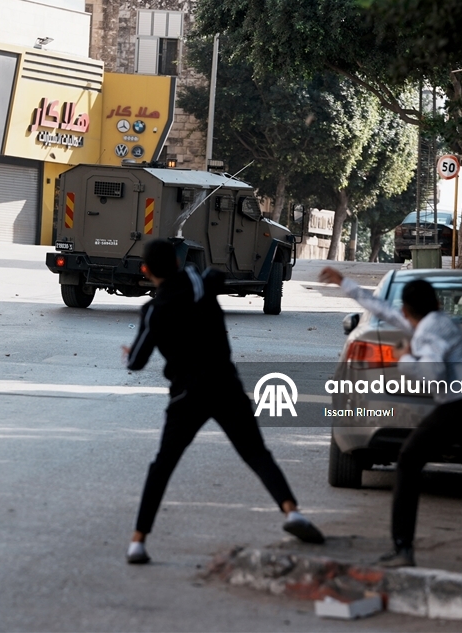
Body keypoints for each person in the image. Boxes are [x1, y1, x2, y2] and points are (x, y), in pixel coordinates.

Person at [318, 266, 462, 580]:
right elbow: (382, 310)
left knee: (407, 461)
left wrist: (405, 358)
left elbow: (432, 372)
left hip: (461, 405)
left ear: (408, 310)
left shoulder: (427, 332)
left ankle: (403, 548)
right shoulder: (440, 322)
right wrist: (346, 284)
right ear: (436, 303)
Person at [123, 240, 324, 564]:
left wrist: (128, 354)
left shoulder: (154, 311)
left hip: (187, 396)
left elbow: (136, 362)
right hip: (225, 386)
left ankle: (138, 542)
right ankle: (292, 512)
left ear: (145, 271)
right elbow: (217, 277)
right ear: (177, 263)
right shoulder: (199, 282)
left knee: (163, 466)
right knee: (256, 453)